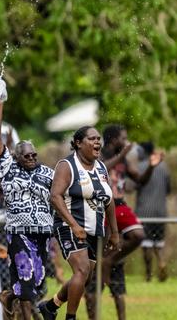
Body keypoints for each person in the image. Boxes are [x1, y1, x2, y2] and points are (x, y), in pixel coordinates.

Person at [38, 126, 119, 320]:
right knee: (82, 271)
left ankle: (51, 306)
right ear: (78, 143)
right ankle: (70, 317)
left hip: (94, 230)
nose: (97, 142)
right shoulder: (67, 165)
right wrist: (74, 225)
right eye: (91, 139)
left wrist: (114, 232)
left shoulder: (101, 167)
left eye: (98, 138)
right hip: (69, 227)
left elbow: (109, 199)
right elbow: (55, 197)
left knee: (85, 276)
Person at [84, 125, 161, 320]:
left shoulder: (124, 159)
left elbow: (140, 180)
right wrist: (122, 155)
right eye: (123, 139)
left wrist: (151, 166)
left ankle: (110, 259)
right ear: (113, 140)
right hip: (99, 209)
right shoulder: (97, 156)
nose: (126, 142)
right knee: (94, 279)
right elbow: (101, 169)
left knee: (138, 236)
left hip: (119, 205)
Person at [0, 91, 55, 320]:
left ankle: (8, 296)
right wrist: (0, 105)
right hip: (19, 232)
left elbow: (59, 194)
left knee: (35, 281)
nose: (31, 158)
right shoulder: (9, 168)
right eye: (26, 156)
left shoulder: (48, 173)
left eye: (34, 155)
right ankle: (20, 309)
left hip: (43, 233)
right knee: (26, 278)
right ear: (17, 157)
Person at [134, 141, 171, 282]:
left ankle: (148, 275)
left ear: (143, 152)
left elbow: (134, 186)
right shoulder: (164, 167)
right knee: (158, 242)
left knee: (146, 244)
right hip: (161, 212)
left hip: (144, 212)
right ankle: (161, 262)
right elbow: (168, 190)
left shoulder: (140, 167)